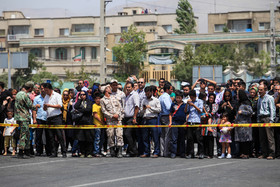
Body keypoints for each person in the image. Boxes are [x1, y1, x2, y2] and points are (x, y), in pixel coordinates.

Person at [43, 83, 67, 158]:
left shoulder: (57, 95)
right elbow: (44, 108)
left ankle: (64, 151)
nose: (46, 92)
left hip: (57, 117)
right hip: (49, 117)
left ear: (50, 89)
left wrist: (50, 105)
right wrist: (45, 107)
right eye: (45, 90)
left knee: (59, 135)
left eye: (47, 90)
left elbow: (60, 106)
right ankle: (54, 152)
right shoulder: (46, 96)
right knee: (51, 136)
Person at [100, 84, 124, 158]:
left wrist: (118, 115)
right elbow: (104, 111)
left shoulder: (114, 97)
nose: (110, 89)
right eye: (108, 88)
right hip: (110, 120)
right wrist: (112, 115)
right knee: (110, 135)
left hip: (118, 119)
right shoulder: (102, 100)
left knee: (119, 134)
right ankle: (112, 150)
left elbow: (120, 107)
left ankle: (119, 150)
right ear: (106, 90)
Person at [14, 81, 36, 159]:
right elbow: (30, 105)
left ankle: (27, 151)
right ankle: (21, 151)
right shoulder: (25, 95)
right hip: (24, 117)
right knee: (24, 134)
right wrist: (36, 106)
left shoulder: (18, 94)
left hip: (18, 117)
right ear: (30, 88)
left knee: (26, 134)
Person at [140, 86, 161, 158]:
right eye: (146, 93)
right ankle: (146, 152)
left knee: (155, 136)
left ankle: (156, 152)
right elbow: (141, 111)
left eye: (148, 93)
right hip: (145, 119)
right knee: (145, 137)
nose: (147, 94)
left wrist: (150, 107)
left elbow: (159, 110)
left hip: (153, 119)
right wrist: (143, 109)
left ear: (151, 92)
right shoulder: (143, 100)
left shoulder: (156, 100)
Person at [257, 84, 276, 160]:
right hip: (261, 118)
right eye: (259, 89)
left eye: (261, 90)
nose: (259, 91)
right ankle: (264, 153)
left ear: (265, 90)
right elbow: (259, 109)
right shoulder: (259, 98)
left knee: (269, 137)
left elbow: (272, 109)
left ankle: (272, 153)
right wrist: (258, 119)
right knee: (262, 137)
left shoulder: (269, 98)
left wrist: (271, 120)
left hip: (267, 118)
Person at [74, 91, 94, 158]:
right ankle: (82, 152)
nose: (82, 96)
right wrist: (79, 100)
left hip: (88, 122)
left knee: (89, 139)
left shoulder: (89, 102)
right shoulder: (79, 102)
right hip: (80, 123)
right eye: (81, 95)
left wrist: (80, 110)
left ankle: (89, 153)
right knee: (81, 139)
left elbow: (88, 110)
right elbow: (76, 106)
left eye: (84, 94)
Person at [33, 83, 51, 156]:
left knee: (48, 135)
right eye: (41, 88)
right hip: (39, 118)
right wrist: (34, 119)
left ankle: (48, 151)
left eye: (44, 88)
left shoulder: (49, 97)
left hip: (48, 118)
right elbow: (34, 109)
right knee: (38, 135)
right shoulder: (37, 98)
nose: (43, 90)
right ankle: (38, 151)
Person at [185, 90, 204, 159]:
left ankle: (201, 153)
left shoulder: (199, 101)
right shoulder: (189, 102)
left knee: (199, 138)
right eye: (190, 97)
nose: (191, 98)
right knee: (190, 138)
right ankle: (191, 153)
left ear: (195, 96)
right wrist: (187, 104)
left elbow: (200, 111)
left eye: (192, 97)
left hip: (197, 121)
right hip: (190, 121)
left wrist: (193, 105)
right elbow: (186, 111)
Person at [235, 90, 253, 159]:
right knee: (241, 140)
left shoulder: (247, 103)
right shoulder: (239, 103)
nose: (237, 96)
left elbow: (250, 112)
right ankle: (242, 153)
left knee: (246, 140)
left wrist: (242, 112)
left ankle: (247, 153)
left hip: (245, 125)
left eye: (238, 95)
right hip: (239, 125)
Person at [123, 82, 139, 157]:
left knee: (128, 134)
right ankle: (130, 151)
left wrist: (134, 117)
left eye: (129, 87)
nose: (128, 89)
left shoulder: (135, 95)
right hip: (125, 118)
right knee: (129, 135)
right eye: (127, 87)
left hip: (131, 118)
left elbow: (136, 106)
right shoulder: (127, 95)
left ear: (132, 87)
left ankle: (133, 151)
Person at [168, 90, 186, 158]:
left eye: (179, 98)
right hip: (175, 122)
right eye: (177, 97)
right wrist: (170, 122)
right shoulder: (173, 105)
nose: (178, 99)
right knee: (174, 139)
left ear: (182, 98)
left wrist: (185, 122)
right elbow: (170, 114)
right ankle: (173, 153)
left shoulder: (184, 105)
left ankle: (182, 153)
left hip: (182, 123)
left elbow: (187, 114)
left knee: (182, 138)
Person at [159, 82, 173, 157]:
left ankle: (162, 151)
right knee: (167, 135)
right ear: (167, 89)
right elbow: (168, 107)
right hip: (167, 116)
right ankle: (166, 152)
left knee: (162, 135)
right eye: (171, 89)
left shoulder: (161, 96)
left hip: (161, 116)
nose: (172, 91)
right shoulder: (166, 97)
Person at [92, 92, 104, 157]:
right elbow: (95, 115)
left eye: (99, 98)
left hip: (102, 125)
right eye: (96, 99)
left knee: (102, 139)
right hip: (97, 124)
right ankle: (96, 151)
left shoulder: (101, 105)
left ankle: (99, 150)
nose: (98, 100)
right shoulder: (94, 105)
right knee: (97, 139)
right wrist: (102, 122)